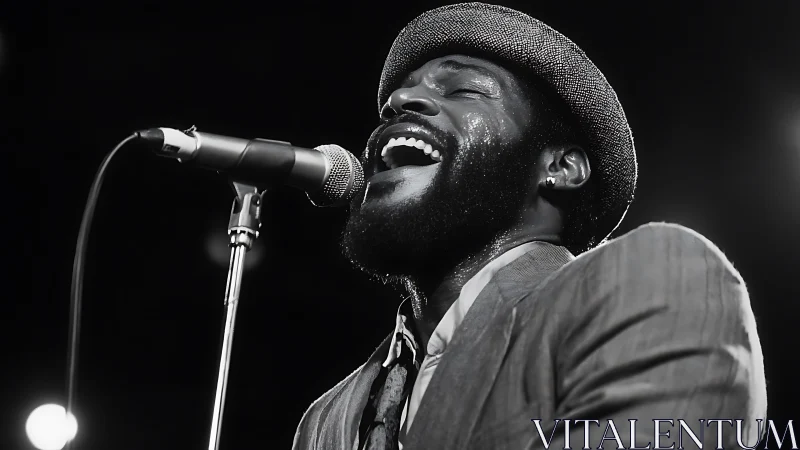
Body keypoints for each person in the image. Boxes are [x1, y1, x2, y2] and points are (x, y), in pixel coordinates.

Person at [292, 3, 767, 450]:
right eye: (394, 101)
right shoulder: (327, 418)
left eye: (463, 90)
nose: (400, 99)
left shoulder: (653, 283)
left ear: (560, 167)